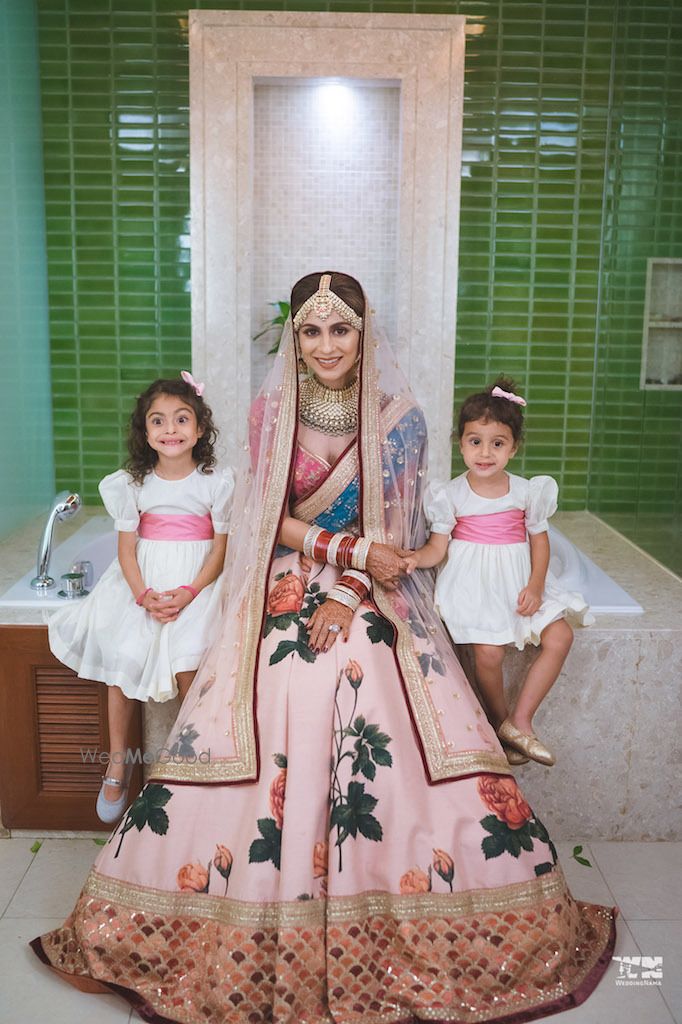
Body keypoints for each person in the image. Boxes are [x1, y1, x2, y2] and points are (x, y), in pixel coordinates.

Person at [31, 274, 616, 1023]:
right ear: (296, 341)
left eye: (341, 329)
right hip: (292, 566)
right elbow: (265, 516)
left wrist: (349, 590)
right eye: (312, 331)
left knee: (367, 652)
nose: (328, 345)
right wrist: (336, 554)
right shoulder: (272, 409)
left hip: (378, 581)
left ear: (365, 333)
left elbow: (405, 527)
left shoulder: (398, 417)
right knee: (286, 670)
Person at [46, 372, 235, 822]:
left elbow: (220, 550)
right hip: (143, 584)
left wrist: (189, 593)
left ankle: (193, 762)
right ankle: (116, 764)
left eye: (181, 419)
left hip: (197, 585)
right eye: (158, 421)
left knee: (192, 658)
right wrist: (143, 595)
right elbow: (126, 550)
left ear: (200, 429)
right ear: (145, 432)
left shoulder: (216, 482)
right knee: (124, 656)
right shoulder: (132, 484)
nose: (170, 430)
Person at [405, 378, 593, 768]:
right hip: (474, 585)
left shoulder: (526, 491)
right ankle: (498, 720)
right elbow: (437, 548)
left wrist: (536, 586)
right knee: (487, 654)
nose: (485, 453)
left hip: (519, 581)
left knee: (560, 636)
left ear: (513, 447)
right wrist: (412, 559)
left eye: (497, 443)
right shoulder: (450, 495)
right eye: (475, 441)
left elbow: (539, 543)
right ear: (461, 443)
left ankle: (521, 721)